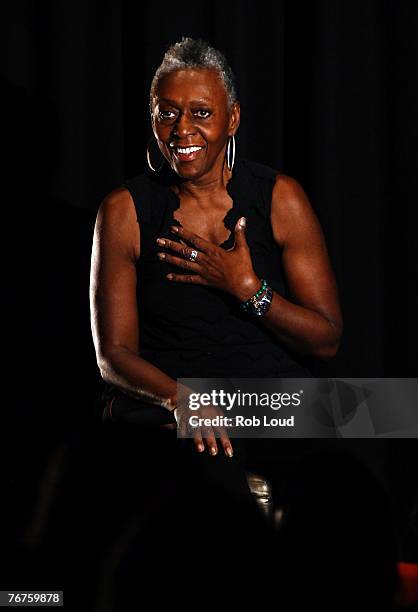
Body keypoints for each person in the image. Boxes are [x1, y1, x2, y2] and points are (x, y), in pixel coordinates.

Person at [89, 38, 394, 609]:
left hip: (272, 399)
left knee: (386, 414)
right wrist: (182, 400)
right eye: (167, 113)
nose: (182, 129)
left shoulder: (280, 199)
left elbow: (326, 339)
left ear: (232, 118)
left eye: (200, 113)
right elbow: (114, 354)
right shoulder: (124, 211)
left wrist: (247, 289)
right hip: (180, 402)